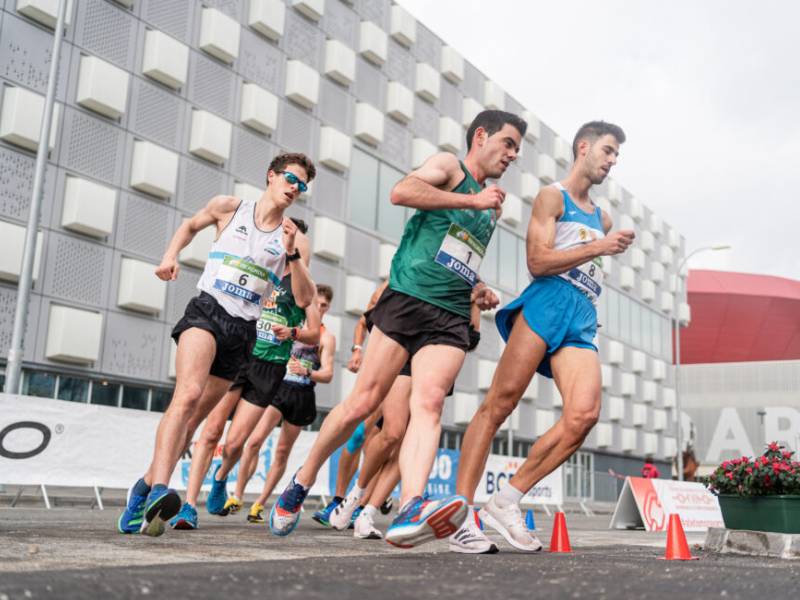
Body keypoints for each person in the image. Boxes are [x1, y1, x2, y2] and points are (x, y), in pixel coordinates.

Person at [269, 110, 524, 549]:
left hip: (449, 315)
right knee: (362, 402)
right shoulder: (450, 167)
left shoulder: (491, 208)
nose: (513, 155)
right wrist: (469, 200)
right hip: (407, 298)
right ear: (481, 136)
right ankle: (303, 478)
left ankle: (410, 506)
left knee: (428, 407)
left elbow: (453, 252)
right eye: (508, 143)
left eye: (517, 149)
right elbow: (401, 191)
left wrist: (478, 287)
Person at [454, 121, 634, 552]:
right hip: (546, 302)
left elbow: (587, 270)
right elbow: (537, 261)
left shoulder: (602, 216)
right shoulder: (553, 196)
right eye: (607, 152)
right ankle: (459, 511)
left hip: (581, 315)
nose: (611, 162)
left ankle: (507, 498)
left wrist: (592, 283)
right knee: (499, 404)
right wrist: (599, 248)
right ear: (583, 147)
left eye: (616, 157)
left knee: (584, 415)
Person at [117, 153, 316, 537]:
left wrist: (292, 253)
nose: (295, 188)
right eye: (291, 178)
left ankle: (142, 489)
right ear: (271, 175)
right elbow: (190, 226)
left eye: (303, 185)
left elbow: (305, 300)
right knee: (187, 394)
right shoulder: (230, 207)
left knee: (192, 423)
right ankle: (161, 489)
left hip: (243, 331)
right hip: (207, 311)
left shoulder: (295, 237)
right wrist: (169, 256)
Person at [169, 219, 316, 529]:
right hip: (242, 351)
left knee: (237, 443)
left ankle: (221, 477)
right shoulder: (261, 265)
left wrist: (292, 331)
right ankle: (189, 506)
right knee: (211, 432)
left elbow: (314, 331)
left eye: (298, 242)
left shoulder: (302, 281)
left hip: (270, 366)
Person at [345, 286, 488, 546]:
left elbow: (473, 338)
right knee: (390, 433)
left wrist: (474, 303)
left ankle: (369, 512)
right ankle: (355, 495)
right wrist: (358, 348)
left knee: (410, 444)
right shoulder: (415, 268)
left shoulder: (470, 280)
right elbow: (369, 318)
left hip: (436, 354)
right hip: (402, 350)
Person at [239, 284, 336, 524]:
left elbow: (328, 374)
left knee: (282, 452)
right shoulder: (289, 319)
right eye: (316, 303)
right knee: (253, 441)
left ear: (328, 307)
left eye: (323, 305)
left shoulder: (325, 337)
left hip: (302, 395)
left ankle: (259, 503)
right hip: (279, 388)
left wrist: (307, 371)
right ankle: (237, 495)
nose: (319, 308)